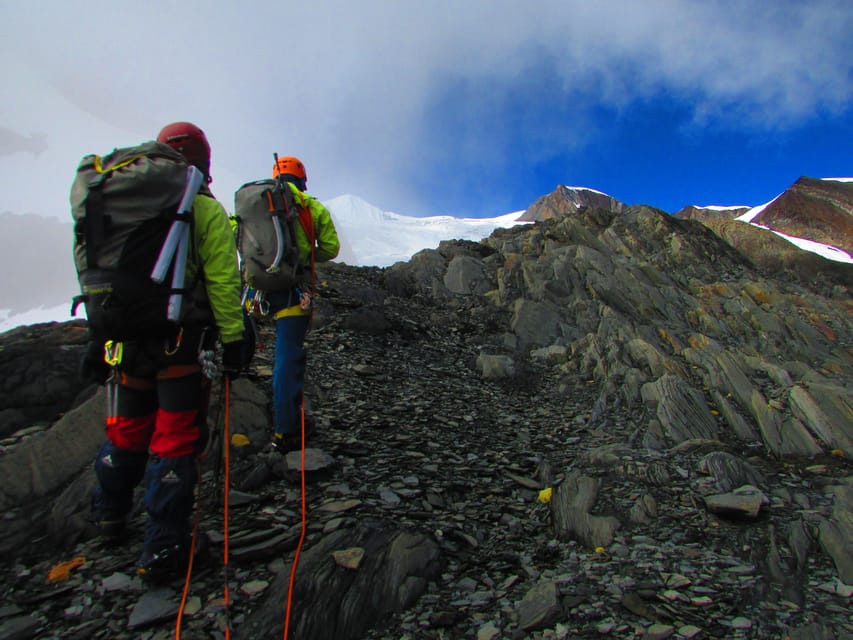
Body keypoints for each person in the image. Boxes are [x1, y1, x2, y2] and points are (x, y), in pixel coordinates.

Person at [82, 121, 247, 579]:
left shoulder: (117, 193)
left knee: (126, 431)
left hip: (123, 342)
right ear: (204, 162)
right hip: (179, 346)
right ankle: (164, 548)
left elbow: (94, 264)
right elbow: (221, 279)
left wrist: (98, 338)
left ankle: (108, 515)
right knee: (176, 441)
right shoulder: (203, 207)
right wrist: (232, 339)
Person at [264, 156, 339, 453]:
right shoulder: (311, 206)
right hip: (294, 290)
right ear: (302, 180)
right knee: (287, 356)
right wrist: (308, 259)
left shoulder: (258, 202)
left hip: (258, 290)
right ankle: (286, 430)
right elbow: (331, 248)